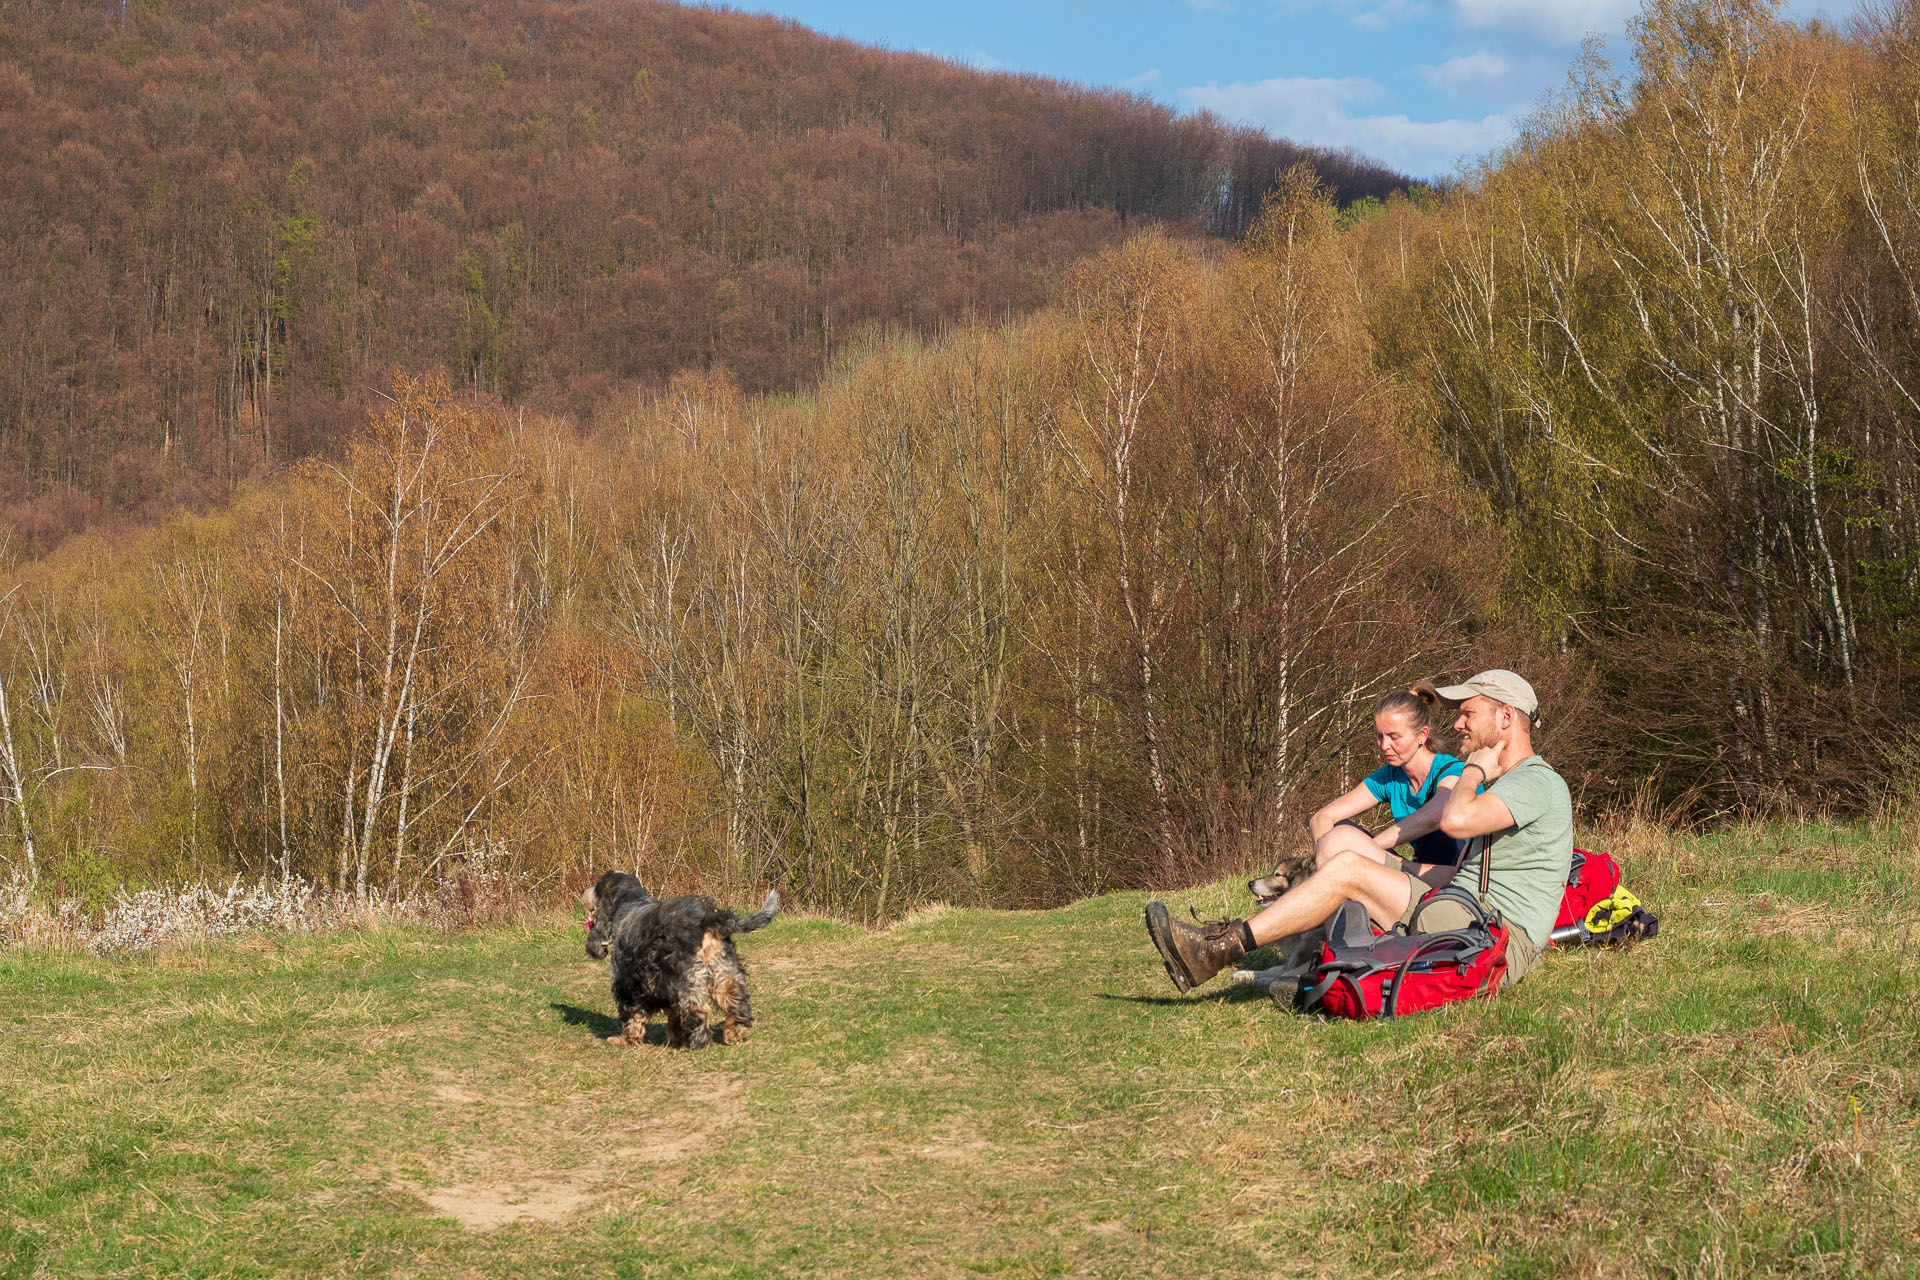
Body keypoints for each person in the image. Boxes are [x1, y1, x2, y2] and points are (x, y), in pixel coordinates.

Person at [1145, 669, 1573, 992]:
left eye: (1468, 714)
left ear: (1506, 717)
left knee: (1350, 871)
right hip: (1462, 908)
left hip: (1494, 937)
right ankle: (1299, 956)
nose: (1458, 724)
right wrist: (1380, 869)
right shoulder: (1508, 784)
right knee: (1347, 856)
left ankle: (1219, 949)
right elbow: (1462, 875)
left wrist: (1475, 770)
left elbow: (1452, 820)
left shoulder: (1535, 781)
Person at [1306, 689, 1467, 874]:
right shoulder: (1389, 776)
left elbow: (1435, 815)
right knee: (1339, 829)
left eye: (1394, 737)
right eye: (1379, 736)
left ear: (1422, 735)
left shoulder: (1454, 771)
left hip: (1458, 875)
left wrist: (1362, 849)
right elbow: (1322, 817)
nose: (1384, 746)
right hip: (1416, 870)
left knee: (1345, 840)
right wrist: (1328, 853)